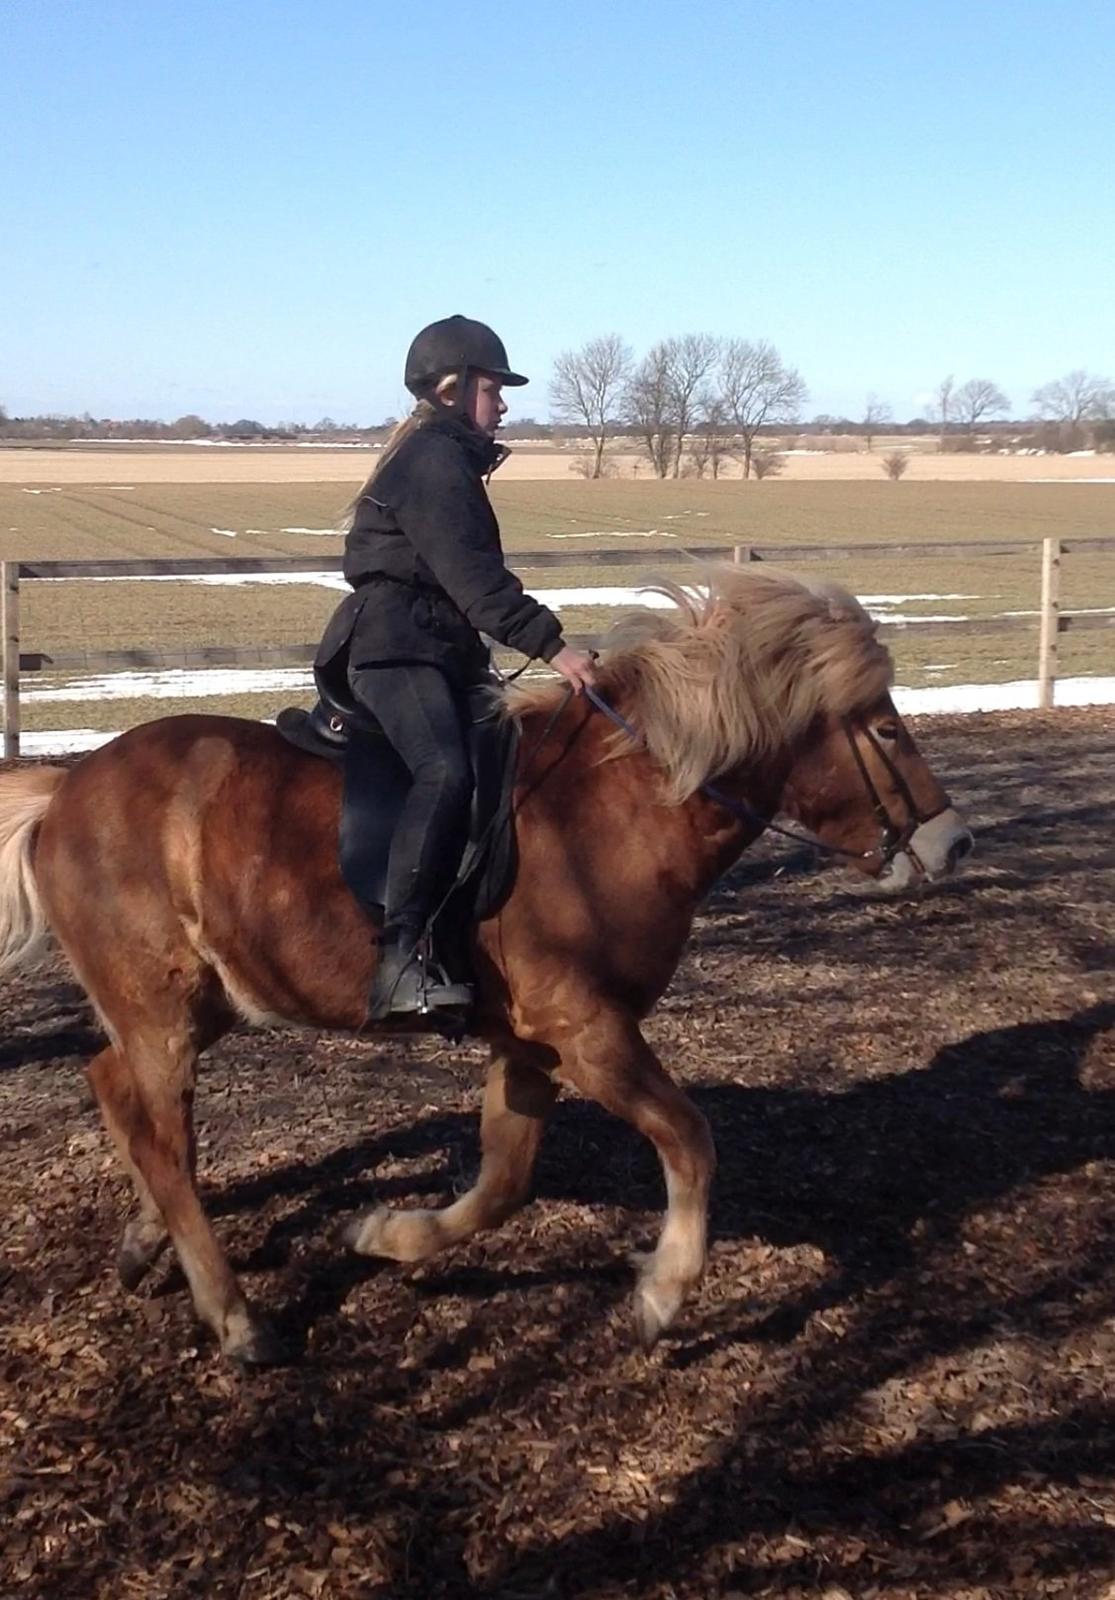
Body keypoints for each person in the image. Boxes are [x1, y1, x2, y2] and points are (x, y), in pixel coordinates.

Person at [314, 315, 597, 1022]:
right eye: (494, 388)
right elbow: (475, 580)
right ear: (454, 388)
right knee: (447, 771)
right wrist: (555, 649)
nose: (502, 404)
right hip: (395, 645)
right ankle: (400, 958)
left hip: (439, 644)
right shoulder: (435, 464)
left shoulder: (442, 458)